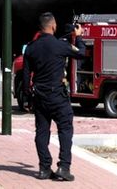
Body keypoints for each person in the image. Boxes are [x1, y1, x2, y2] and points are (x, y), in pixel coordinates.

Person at [23, 12, 85, 181]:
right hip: (58, 96)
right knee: (65, 130)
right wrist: (78, 37)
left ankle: (44, 168)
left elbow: (26, 76)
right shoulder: (59, 45)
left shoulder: (31, 47)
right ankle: (64, 167)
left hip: (40, 97)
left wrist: (29, 98)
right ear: (52, 26)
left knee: (41, 133)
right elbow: (81, 53)